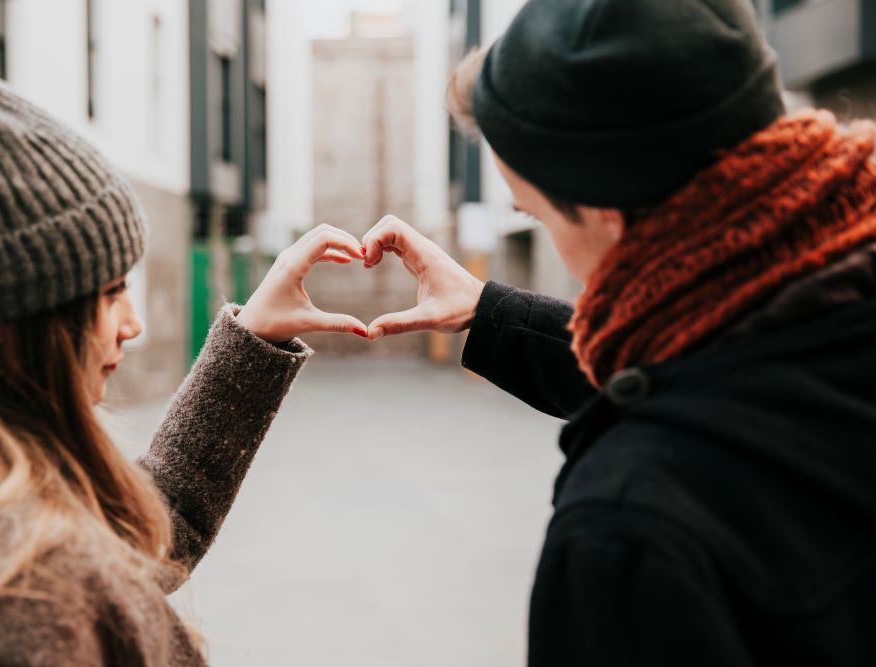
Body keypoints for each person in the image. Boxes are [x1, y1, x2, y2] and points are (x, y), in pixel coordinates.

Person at [360, 0, 876, 664]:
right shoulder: (834, 304)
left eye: (537, 213)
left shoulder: (632, 533)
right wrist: (489, 310)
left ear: (602, 210)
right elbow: (737, 372)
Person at [0, 12, 368, 666]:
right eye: (109, 293)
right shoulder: (23, 602)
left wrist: (253, 336)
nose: (132, 324)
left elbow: (135, 542)